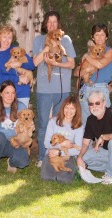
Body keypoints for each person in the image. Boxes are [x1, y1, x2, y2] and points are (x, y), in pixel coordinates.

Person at [32, 11, 76, 167]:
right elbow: (35, 63)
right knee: (44, 123)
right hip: (44, 89)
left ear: (59, 24)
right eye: (49, 22)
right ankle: (42, 157)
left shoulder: (66, 39)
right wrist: (45, 48)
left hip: (61, 89)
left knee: (60, 123)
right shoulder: (38, 40)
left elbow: (72, 64)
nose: (51, 25)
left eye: (54, 22)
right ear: (45, 24)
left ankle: (57, 154)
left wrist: (57, 64)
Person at [0, 80, 29, 177]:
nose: (10, 96)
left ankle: (11, 162)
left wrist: (29, 127)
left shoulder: (21, 106)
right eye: (7, 93)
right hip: (1, 142)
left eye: (13, 93)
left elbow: (27, 123)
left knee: (23, 162)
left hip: (16, 142)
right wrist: (15, 131)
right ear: (1, 94)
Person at [78, 23, 112, 127]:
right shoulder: (90, 52)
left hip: (100, 89)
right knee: (86, 122)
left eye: (102, 35)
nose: (99, 37)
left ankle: (102, 143)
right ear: (92, 37)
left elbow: (99, 64)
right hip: (85, 88)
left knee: (104, 122)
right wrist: (87, 69)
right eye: (97, 35)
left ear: (106, 37)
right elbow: (77, 72)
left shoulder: (110, 51)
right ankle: (87, 144)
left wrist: (87, 56)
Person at [41, 96, 84, 183]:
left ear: (77, 110)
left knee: (64, 179)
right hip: (51, 155)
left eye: (72, 108)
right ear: (63, 108)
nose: (68, 111)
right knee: (47, 177)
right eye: (66, 107)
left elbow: (78, 149)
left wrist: (60, 152)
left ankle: (67, 169)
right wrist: (61, 145)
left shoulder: (79, 126)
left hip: (67, 156)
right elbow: (46, 143)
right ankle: (52, 168)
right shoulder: (53, 121)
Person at [0, 25, 35, 107]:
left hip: (22, 92)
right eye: (4, 37)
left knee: (22, 119)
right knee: (7, 119)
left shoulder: (16, 49)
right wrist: (18, 78)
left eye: (10, 38)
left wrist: (21, 63)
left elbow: (32, 65)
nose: (7, 40)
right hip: (5, 94)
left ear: (12, 39)